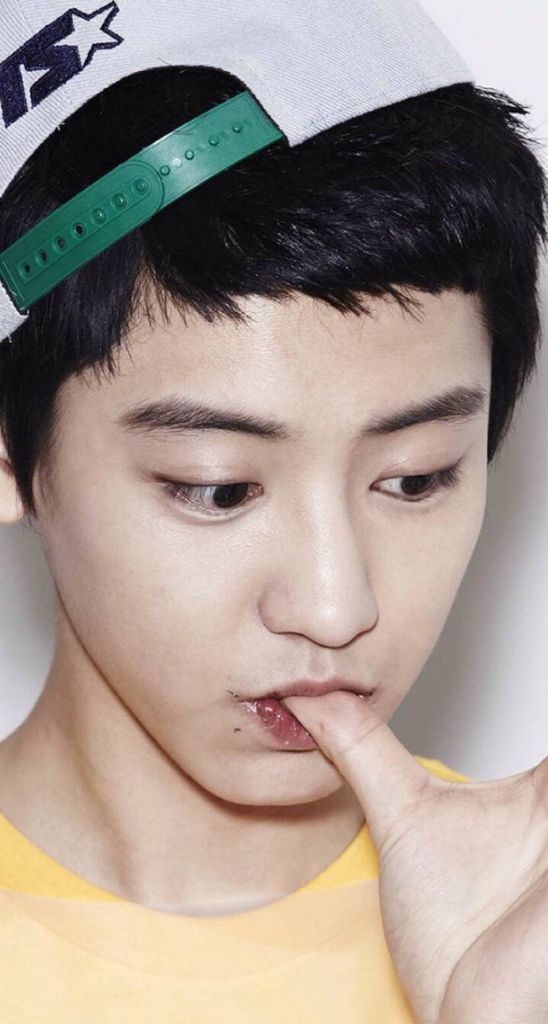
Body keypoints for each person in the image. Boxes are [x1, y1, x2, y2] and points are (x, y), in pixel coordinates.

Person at [0, 51, 545, 1024]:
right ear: (9, 456)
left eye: (415, 478)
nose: (336, 607)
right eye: (219, 490)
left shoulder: (519, 934)